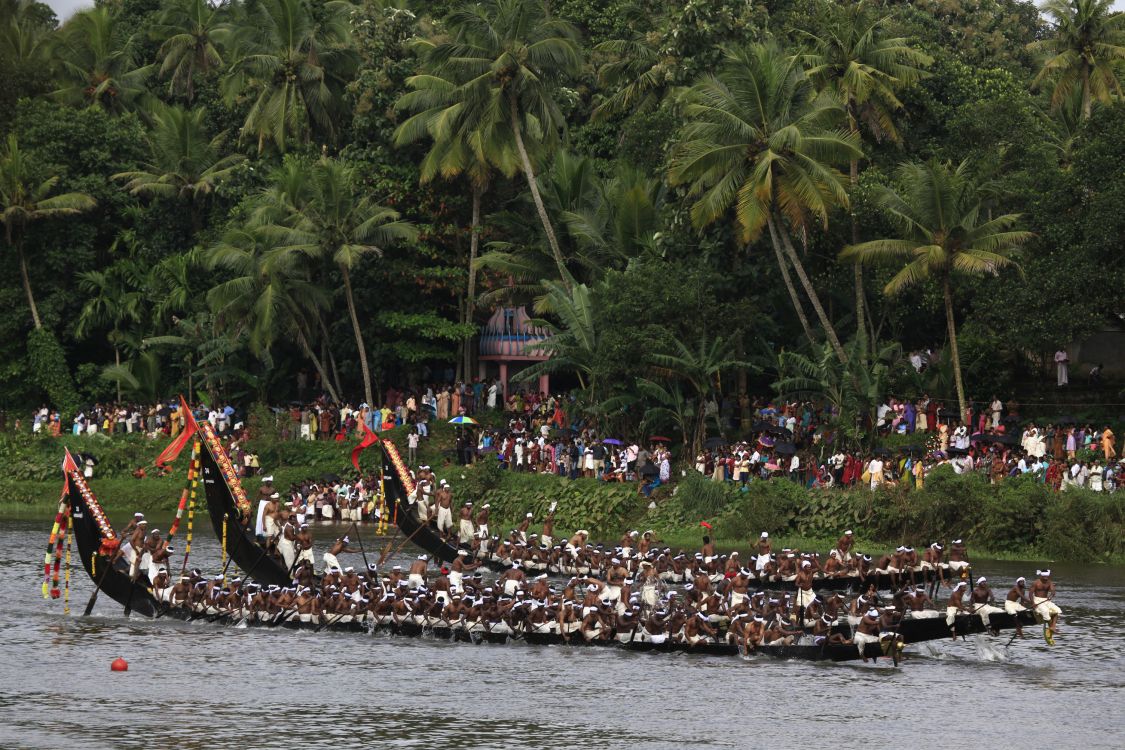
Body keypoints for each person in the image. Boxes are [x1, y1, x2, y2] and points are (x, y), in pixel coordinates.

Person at [1030, 569, 1062, 638]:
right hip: (1037, 600)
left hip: (1046, 600)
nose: (1046, 578)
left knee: (1058, 610)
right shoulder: (1036, 583)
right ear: (1041, 576)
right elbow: (1030, 593)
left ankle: (1053, 627)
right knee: (1045, 611)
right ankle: (1051, 627)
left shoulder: (1049, 582)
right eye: (1044, 577)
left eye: (1047, 577)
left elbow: (1053, 591)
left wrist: (1051, 596)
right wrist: (1033, 603)